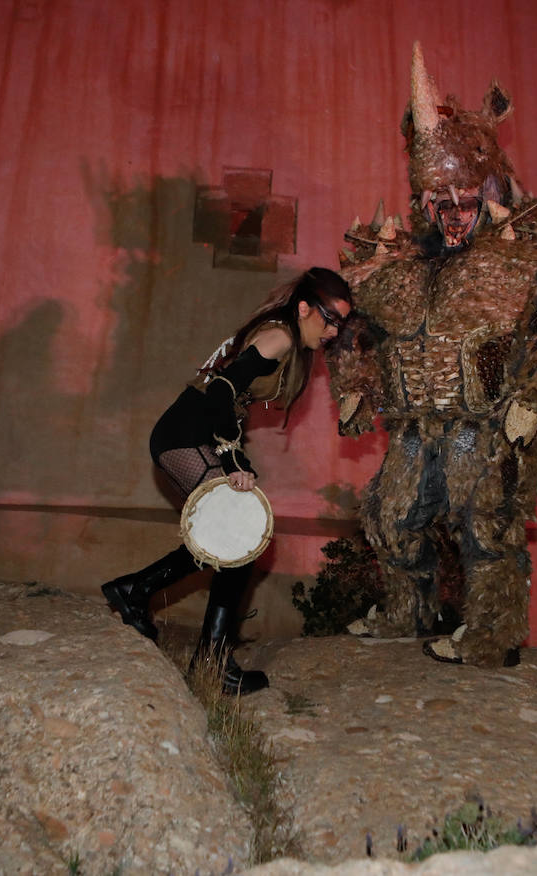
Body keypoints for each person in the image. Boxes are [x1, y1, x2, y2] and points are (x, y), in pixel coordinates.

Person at [327, 43, 537, 667]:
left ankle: (489, 636)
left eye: (462, 200)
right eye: (438, 202)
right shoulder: (397, 265)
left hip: (483, 426)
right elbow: (354, 328)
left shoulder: (523, 256)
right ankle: (409, 610)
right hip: (411, 426)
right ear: (422, 202)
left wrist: (536, 400)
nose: (451, 213)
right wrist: (352, 386)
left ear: (485, 192)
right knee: (391, 517)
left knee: (485, 524)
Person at [103, 267, 352, 694]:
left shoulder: (288, 337)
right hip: (185, 435)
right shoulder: (282, 336)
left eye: (340, 323)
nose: (333, 330)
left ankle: (139, 593)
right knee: (237, 538)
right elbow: (220, 390)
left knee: (232, 539)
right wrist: (234, 457)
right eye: (329, 319)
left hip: (192, 434)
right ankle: (206, 654)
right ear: (305, 308)